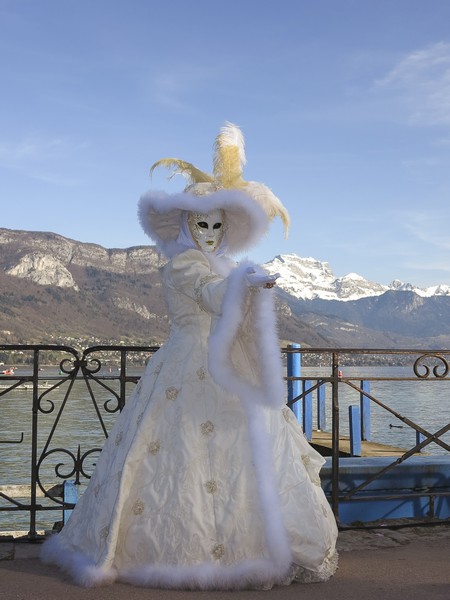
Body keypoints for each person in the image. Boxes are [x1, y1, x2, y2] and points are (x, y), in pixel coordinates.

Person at [41, 123, 338, 590]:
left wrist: (246, 282)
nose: (209, 232)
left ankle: (252, 548)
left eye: (218, 225)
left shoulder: (216, 263)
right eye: (201, 224)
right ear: (184, 224)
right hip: (187, 366)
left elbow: (224, 292)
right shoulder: (184, 265)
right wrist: (245, 282)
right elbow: (212, 295)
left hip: (225, 369)